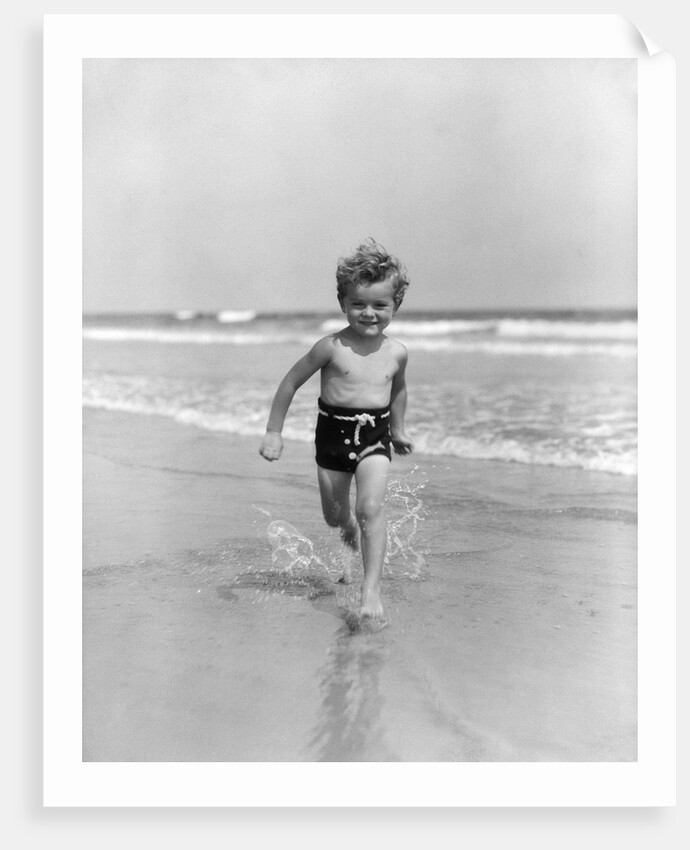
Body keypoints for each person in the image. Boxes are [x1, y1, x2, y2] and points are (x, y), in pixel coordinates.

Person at [259, 238, 413, 620]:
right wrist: (274, 432)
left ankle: (371, 590)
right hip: (332, 436)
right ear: (343, 304)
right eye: (358, 304)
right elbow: (290, 383)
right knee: (335, 515)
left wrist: (398, 428)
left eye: (380, 305)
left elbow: (398, 390)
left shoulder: (397, 352)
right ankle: (346, 527)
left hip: (374, 438)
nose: (369, 313)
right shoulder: (330, 347)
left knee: (371, 508)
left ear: (395, 306)